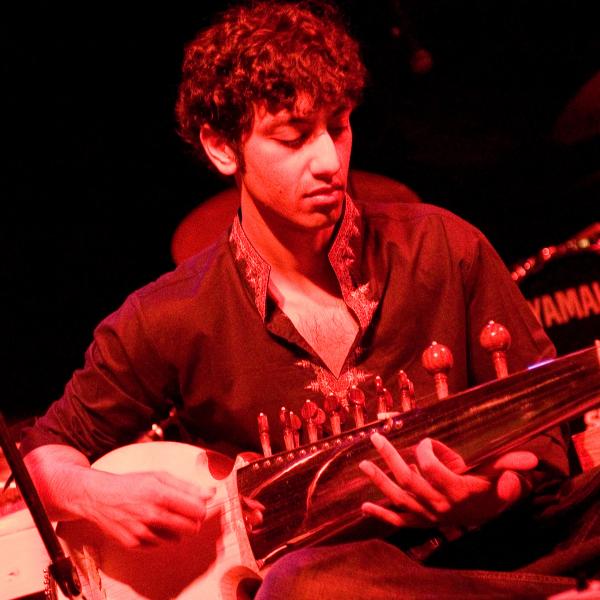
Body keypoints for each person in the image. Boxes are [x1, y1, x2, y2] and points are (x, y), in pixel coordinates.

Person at [20, 1, 598, 598]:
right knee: (304, 584)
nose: (329, 162)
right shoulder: (169, 317)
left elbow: (545, 443)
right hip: (340, 584)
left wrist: (481, 498)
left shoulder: (444, 248)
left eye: (339, 126)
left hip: (494, 557)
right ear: (222, 147)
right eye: (293, 137)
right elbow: (42, 454)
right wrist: (94, 493)